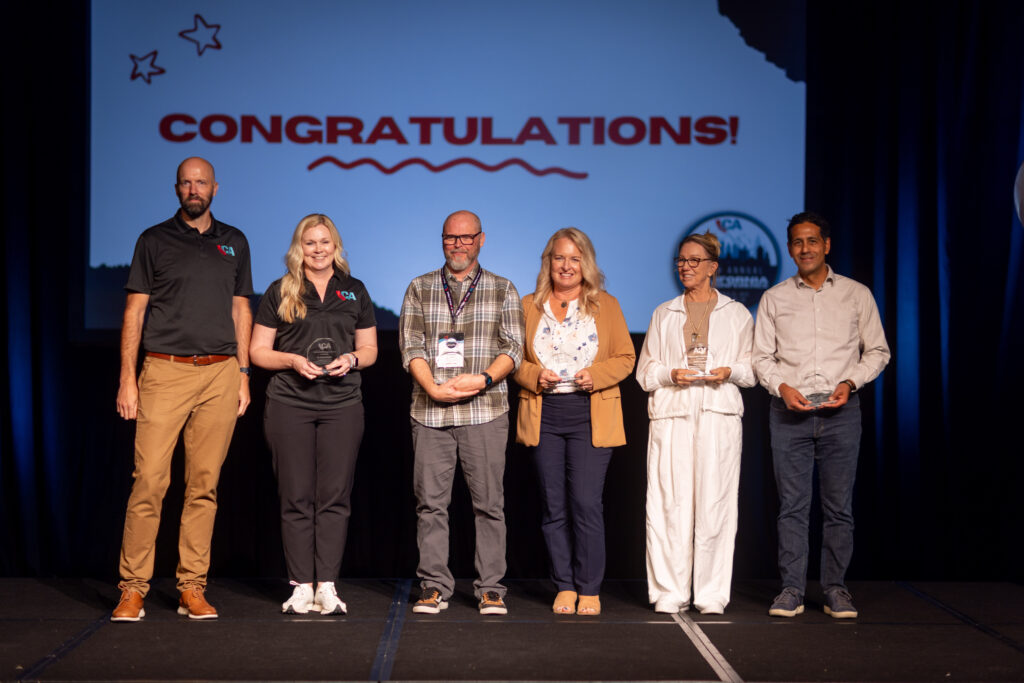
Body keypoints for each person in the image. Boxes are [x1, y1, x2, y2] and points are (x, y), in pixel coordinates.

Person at [112, 157, 253, 622]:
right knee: (150, 481)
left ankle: (192, 586)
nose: (194, 189)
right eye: (186, 183)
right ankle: (133, 588)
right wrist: (127, 379)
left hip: (220, 373)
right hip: (164, 371)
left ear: (216, 187)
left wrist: (244, 373)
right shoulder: (153, 240)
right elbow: (134, 313)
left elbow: (240, 311)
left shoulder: (234, 242)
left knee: (204, 486)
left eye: (202, 183)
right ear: (176, 189)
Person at [753, 211, 890, 619]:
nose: (805, 249)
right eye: (797, 242)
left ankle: (835, 589)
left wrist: (850, 383)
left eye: (812, 241)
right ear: (789, 248)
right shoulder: (775, 297)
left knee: (838, 508)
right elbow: (760, 357)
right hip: (789, 411)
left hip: (840, 413)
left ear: (826, 245)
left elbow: (878, 351)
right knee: (792, 507)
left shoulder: (856, 294)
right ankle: (791, 590)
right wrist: (782, 387)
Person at [250, 214, 378, 616]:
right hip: (290, 404)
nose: (318, 249)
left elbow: (371, 349)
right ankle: (301, 585)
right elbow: (257, 351)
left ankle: (327, 584)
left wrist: (352, 359)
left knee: (335, 499)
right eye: (310, 243)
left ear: (335, 246)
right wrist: (290, 360)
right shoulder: (281, 290)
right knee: (296, 497)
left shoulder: (354, 291)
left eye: (325, 242)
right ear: (298, 248)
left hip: (342, 406)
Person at [398, 210, 525, 616]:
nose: (458, 244)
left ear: (481, 240)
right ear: (442, 240)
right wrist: (433, 388)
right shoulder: (419, 287)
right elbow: (410, 347)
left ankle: (490, 588)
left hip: (485, 410)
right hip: (429, 413)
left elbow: (514, 349)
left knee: (489, 504)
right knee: (430, 505)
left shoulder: (503, 288)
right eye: (451, 238)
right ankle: (434, 586)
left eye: (466, 238)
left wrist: (484, 379)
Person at [513, 228, 635, 616]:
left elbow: (626, 357)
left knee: (585, 502)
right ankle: (564, 584)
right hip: (544, 413)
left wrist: (596, 376)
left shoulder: (607, 305)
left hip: (590, 414)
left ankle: (590, 587)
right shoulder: (527, 305)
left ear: (586, 264)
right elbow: (512, 358)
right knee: (553, 506)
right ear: (548, 262)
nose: (566, 265)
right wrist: (534, 375)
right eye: (559, 257)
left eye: (574, 258)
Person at [636, 232, 754, 615]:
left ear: (712, 267)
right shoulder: (663, 313)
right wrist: (671, 373)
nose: (685, 267)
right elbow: (645, 372)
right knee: (669, 503)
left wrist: (729, 370)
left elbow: (753, 370)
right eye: (681, 261)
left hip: (718, 415)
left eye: (694, 261)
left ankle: (711, 593)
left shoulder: (736, 313)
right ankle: (669, 590)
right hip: (673, 415)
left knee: (716, 505)